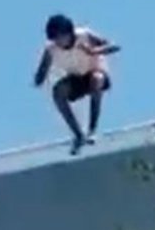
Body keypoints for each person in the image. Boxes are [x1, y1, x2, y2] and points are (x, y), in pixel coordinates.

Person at [33, 13, 120, 154]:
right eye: (55, 40)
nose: (59, 43)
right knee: (58, 92)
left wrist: (93, 51)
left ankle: (92, 129)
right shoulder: (51, 50)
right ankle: (78, 134)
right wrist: (38, 79)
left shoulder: (84, 35)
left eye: (61, 38)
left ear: (68, 33)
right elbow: (42, 71)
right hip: (76, 79)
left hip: (94, 71)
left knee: (96, 80)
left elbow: (114, 46)